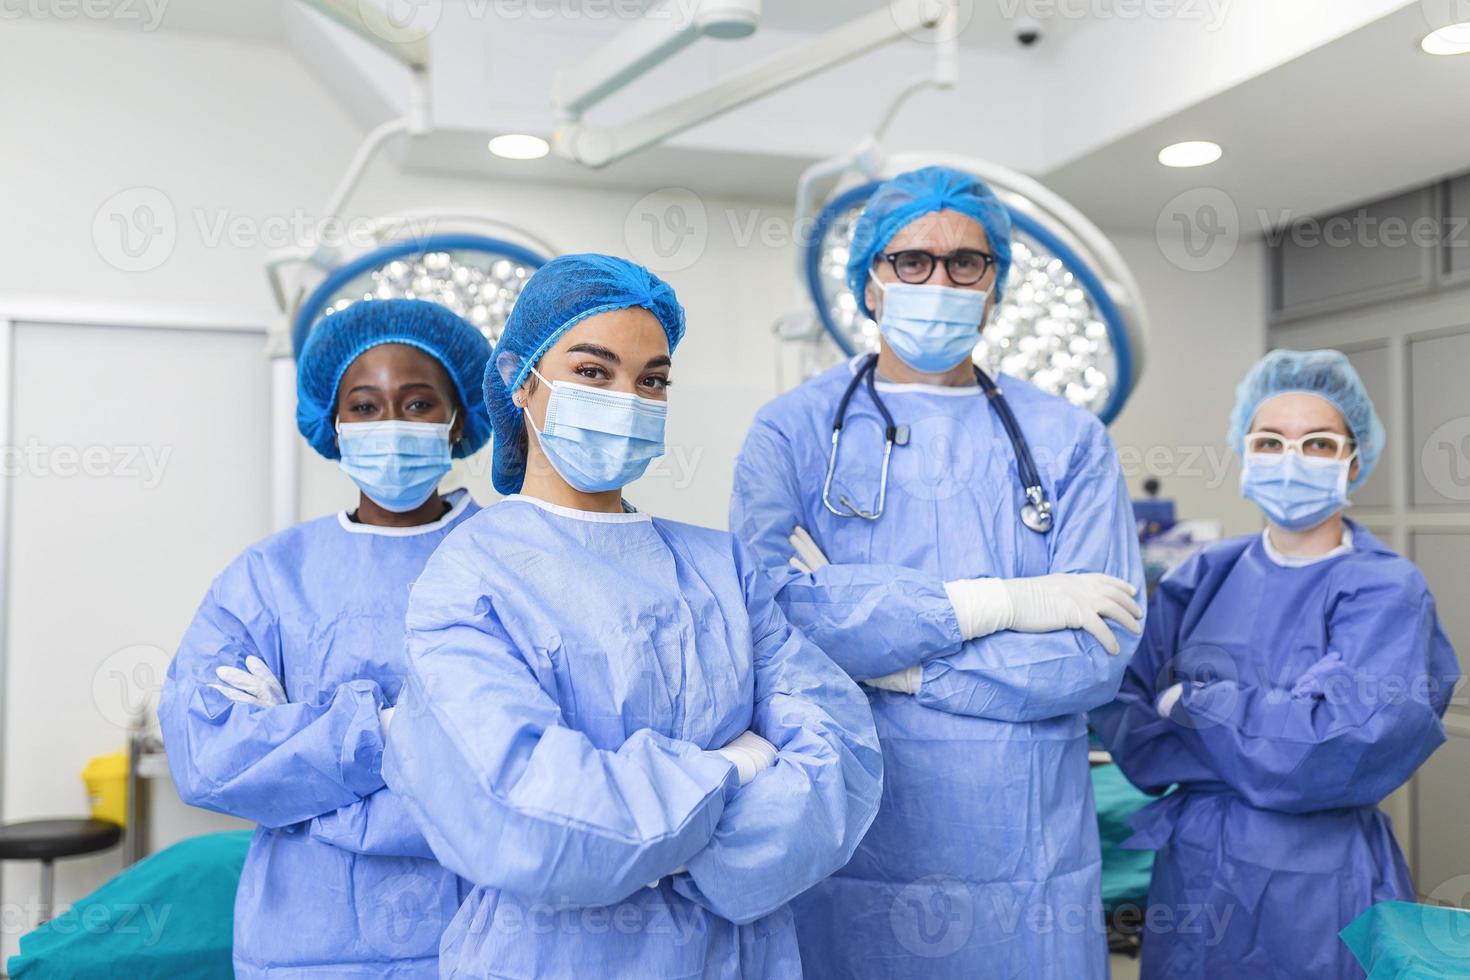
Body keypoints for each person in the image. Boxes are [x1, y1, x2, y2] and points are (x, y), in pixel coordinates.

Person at [381, 253, 884, 979]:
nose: (628, 397)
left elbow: (842, 758)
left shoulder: (723, 569)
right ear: (523, 381)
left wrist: (647, 838)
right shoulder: (470, 577)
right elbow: (529, 812)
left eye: (651, 379)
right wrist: (734, 766)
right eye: (594, 371)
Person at [730, 165, 1146, 978]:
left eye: (967, 262)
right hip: (845, 820)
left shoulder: (1069, 441)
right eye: (911, 260)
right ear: (870, 283)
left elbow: (1094, 653)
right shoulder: (793, 433)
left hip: (1021, 852)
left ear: (995, 287)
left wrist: (901, 666)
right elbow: (773, 615)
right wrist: (1005, 604)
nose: (940, 279)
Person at [1091, 349, 1460, 979]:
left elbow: (1336, 748)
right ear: (1244, 452)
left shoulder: (1385, 590)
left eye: (1317, 443)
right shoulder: (1202, 575)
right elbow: (1127, 712)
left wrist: (1198, 703)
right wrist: (1282, 717)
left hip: (1320, 882)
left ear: (1353, 459)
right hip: (1196, 874)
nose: (1291, 459)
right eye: (1270, 441)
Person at [160, 298, 491, 978]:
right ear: (333, 424)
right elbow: (207, 756)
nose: (390, 425)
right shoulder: (272, 577)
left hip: (486, 935)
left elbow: (532, 768)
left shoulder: (511, 561)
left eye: (419, 403)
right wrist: (395, 730)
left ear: (457, 421)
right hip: (305, 946)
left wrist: (299, 750)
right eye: (366, 407)